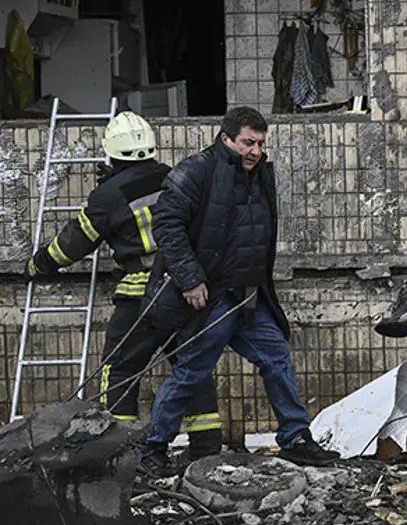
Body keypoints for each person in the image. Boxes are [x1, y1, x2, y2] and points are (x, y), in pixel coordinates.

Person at [137, 106, 340, 477]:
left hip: (248, 296)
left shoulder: (260, 174)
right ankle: (152, 446)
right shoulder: (197, 171)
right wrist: (189, 279)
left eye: (261, 143)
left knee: (277, 358)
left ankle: (295, 438)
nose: (256, 151)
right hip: (212, 297)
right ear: (225, 137)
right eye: (248, 142)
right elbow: (166, 224)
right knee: (191, 372)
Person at [23, 111, 223, 460]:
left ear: (110, 152)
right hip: (186, 290)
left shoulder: (107, 196)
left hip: (140, 296)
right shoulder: (174, 177)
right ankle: (207, 450)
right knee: (192, 366)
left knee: (120, 372)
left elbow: (74, 243)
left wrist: (37, 264)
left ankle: (123, 455)